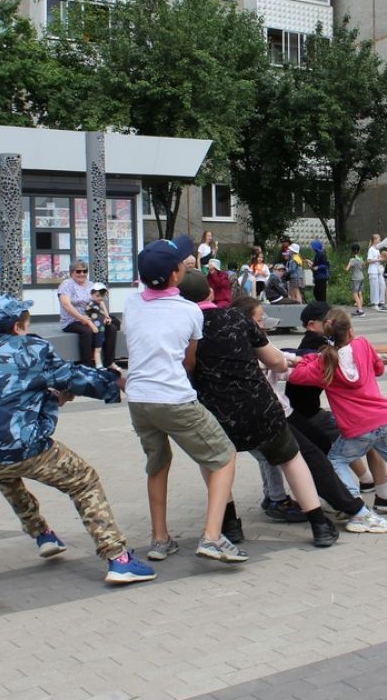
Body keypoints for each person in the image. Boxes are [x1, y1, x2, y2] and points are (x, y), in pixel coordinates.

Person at [0, 295, 155, 584]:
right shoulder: (31, 347)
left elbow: (3, 399)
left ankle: (42, 534)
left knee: (4, 468)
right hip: (23, 448)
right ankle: (118, 558)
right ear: (17, 326)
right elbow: (70, 376)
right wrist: (114, 381)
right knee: (84, 480)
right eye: (25, 317)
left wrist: (49, 398)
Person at [122, 236, 246, 564]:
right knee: (223, 456)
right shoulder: (190, 311)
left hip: (137, 399)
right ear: (177, 275)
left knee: (158, 464)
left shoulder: (132, 305)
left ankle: (160, 539)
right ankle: (212, 536)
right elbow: (188, 362)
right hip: (173, 398)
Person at [189, 279, 339, 548]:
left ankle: (230, 525)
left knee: (212, 461)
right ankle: (319, 524)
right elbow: (274, 360)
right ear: (210, 292)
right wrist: (285, 361)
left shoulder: (181, 323)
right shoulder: (235, 317)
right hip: (259, 406)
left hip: (213, 410)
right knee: (291, 457)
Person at [241, 297, 387, 534]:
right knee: (314, 456)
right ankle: (350, 505)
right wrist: (294, 364)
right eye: (259, 320)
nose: (263, 325)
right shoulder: (318, 345)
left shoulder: (255, 342)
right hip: (287, 414)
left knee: (312, 451)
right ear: (314, 324)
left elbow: (285, 362)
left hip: (288, 412)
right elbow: (286, 363)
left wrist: (292, 363)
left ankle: (339, 499)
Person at [288, 308, 387, 516]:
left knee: (336, 460)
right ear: (350, 332)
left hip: (356, 428)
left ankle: (351, 501)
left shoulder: (324, 362)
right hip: (384, 418)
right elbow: (379, 369)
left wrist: (309, 360)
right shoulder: (362, 345)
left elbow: (296, 376)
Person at [57, 260, 118, 369]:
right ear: (72, 273)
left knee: (111, 327)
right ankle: (87, 365)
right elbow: (66, 304)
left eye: (84, 271)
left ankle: (109, 362)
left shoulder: (91, 285)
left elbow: (100, 301)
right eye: (78, 271)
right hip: (72, 320)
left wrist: (106, 316)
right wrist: (83, 319)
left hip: (93, 318)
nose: (82, 274)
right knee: (87, 331)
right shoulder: (66, 284)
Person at [366, 233, 387, 311]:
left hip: (378, 271)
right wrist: (378, 259)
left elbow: (378, 258)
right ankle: (374, 303)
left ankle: (380, 303)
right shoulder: (371, 249)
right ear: (374, 240)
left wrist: (382, 258)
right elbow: (368, 260)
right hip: (372, 271)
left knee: (381, 285)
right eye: (378, 239)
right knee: (374, 287)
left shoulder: (377, 249)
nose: (379, 240)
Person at [346, 244, 367, 317]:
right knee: (360, 293)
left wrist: (346, 269)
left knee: (355, 294)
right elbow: (364, 266)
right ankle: (359, 309)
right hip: (361, 277)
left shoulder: (352, 259)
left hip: (355, 278)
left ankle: (360, 311)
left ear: (351, 251)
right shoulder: (360, 258)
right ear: (359, 251)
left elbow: (347, 269)